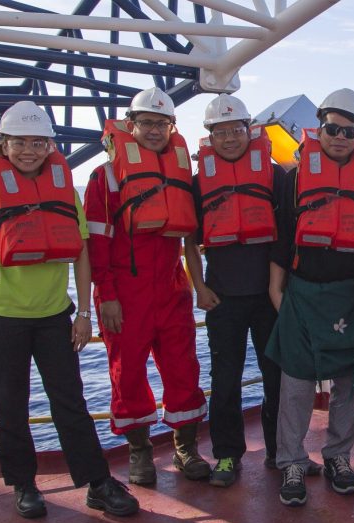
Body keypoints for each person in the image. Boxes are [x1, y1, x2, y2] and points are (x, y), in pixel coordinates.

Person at [0, 101, 138, 518]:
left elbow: (80, 252)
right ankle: (24, 486)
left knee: (70, 402)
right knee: (10, 405)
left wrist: (82, 315)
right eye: (19, 142)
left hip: (54, 318)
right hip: (1, 320)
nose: (29, 150)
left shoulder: (64, 192)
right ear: (3, 145)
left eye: (38, 142)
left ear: (49, 146)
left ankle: (97, 483)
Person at [184, 94, 322, 487]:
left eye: (236, 130)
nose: (230, 138)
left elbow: (290, 238)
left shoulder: (277, 176)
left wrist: (285, 290)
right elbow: (190, 243)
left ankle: (282, 453)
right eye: (221, 132)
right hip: (222, 297)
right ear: (209, 137)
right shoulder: (198, 184)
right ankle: (227, 456)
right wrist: (200, 287)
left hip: (269, 298)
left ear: (250, 130)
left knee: (277, 376)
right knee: (224, 380)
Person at [84, 87, 209, 486]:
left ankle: (185, 447)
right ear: (130, 124)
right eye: (147, 123)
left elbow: (190, 236)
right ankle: (140, 453)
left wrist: (196, 285)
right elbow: (97, 242)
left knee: (183, 368)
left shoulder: (181, 173)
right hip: (125, 291)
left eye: (162, 123)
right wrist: (106, 297)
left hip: (172, 288)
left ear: (172, 127)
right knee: (128, 373)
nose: (154, 131)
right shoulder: (104, 177)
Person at [266, 88, 354, 506]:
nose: (340, 137)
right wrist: (275, 287)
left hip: (352, 294)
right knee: (295, 384)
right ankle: (292, 462)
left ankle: (338, 456)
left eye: (349, 131)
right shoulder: (294, 176)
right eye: (333, 128)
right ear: (319, 127)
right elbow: (282, 235)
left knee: (351, 384)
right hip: (303, 291)